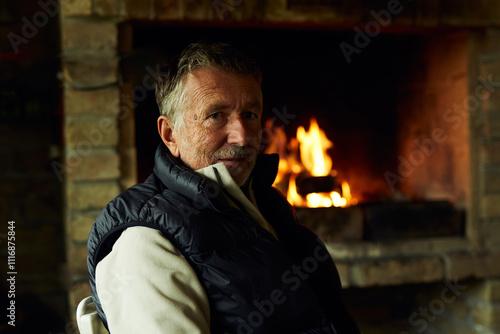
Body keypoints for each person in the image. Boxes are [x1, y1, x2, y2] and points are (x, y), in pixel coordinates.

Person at [87, 41, 360, 334]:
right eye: (216, 115)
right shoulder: (143, 247)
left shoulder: (266, 205)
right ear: (170, 135)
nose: (242, 137)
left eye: (250, 115)